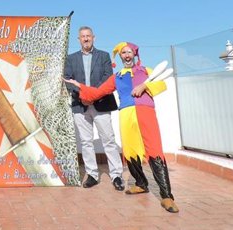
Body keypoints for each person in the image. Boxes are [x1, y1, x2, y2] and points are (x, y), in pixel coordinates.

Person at [65, 42, 179, 213]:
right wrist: (79, 85)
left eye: (129, 52)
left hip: (145, 112)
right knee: (131, 151)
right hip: (126, 115)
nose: (126, 55)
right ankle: (141, 184)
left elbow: (161, 85)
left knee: (154, 151)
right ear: (120, 57)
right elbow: (98, 92)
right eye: (123, 53)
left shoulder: (146, 72)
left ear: (134, 54)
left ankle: (167, 196)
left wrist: (145, 86)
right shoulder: (116, 76)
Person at [64, 26, 124, 191]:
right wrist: (84, 96)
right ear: (78, 40)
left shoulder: (104, 56)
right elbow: (67, 80)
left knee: (109, 140)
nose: (86, 39)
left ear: (94, 38)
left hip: (102, 103)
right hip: (80, 105)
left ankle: (117, 175)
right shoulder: (71, 59)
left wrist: (93, 96)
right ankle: (91, 174)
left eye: (88, 36)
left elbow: (107, 80)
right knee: (86, 141)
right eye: (82, 36)